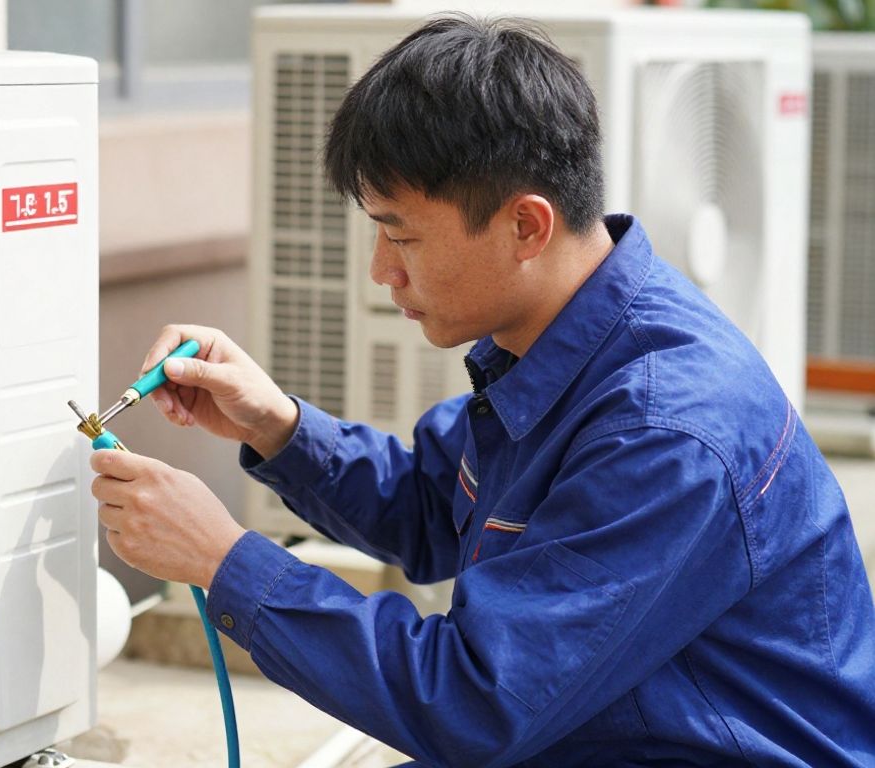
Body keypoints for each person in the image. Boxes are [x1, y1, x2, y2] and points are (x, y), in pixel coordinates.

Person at [88, 15, 875, 767]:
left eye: (402, 236)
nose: (381, 271)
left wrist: (225, 559)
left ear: (526, 226)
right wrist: (280, 427)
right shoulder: (559, 335)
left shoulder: (664, 430)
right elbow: (437, 508)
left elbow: (476, 700)